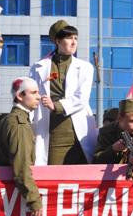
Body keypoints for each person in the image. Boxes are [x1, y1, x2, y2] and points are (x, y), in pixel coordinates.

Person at [29, 20, 97, 165]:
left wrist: (56, 106)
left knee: (81, 179)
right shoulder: (38, 67)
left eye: (76, 38)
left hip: (77, 133)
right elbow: (31, 96)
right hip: (51, 132)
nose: (73, 42)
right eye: (69, 38)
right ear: (58, 41)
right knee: (53, 176)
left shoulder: (85, 67)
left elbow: (82, 98)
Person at [0, 78, 43, 216]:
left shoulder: (8, 119)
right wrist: (34, 200)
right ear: (20, 96)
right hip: (12, 193)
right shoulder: (19, 124)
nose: (39, 97)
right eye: (34, 92)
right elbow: (22, 167)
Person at [93, 98, 133, 167]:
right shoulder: (106, 132)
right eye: (132, 121)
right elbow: (96, 160)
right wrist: (113, 149)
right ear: (120, 118)